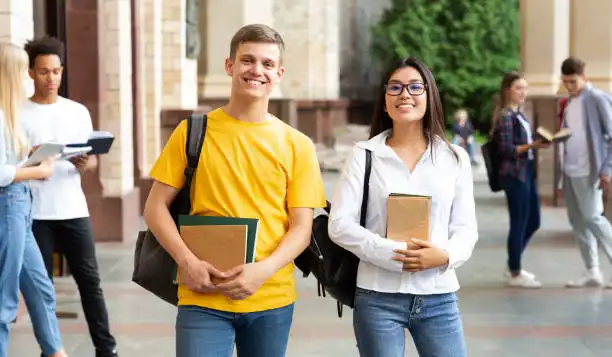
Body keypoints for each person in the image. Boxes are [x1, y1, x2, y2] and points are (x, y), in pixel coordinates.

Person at [143, 24, 326, 357]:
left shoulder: (297, 145)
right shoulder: (192, 132)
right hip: (201, 293)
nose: (257, 70)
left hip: (271, 297)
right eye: (247, 60)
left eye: (267, 64)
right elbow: (155, 208)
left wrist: (261, 271)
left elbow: (302, 228)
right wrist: (187, 261)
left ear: (279, 73)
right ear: (230, 66)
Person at [328, 57, 478, 357]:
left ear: (429, 97)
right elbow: (339, 224)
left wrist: (444, 255)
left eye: (414, 87)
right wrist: (391, 253)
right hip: (377, 295)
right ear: (385, 102)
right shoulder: (364, 155)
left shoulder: (455, 158)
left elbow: (466, 229)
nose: (404, 94)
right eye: (395, 87)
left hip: (438, 295)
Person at [20, 37, 118, 357]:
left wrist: (87, 162)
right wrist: (31, 159)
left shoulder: (77, 112)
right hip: (34, 213)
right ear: (31, 72)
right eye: (44, 72)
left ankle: (107, 350)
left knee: (90, 284)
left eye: (57, 71)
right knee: (41, 289)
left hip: (73, 208)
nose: (52, 79)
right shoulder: (17, 112)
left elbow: (90, 160)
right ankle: (50, 350)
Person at [0, 42, 68, 357]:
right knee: (5, 300)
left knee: (41, 290)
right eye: (22, 72)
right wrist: (36, 171)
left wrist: (31, 157)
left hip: (19, 207)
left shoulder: (10, 114)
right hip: (7, 206)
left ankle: (55, 352)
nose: (28, 80)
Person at [492, 72, 550, 288]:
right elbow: (507, 149)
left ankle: (512, 263)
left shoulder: (519, 114)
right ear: (509, 90)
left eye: (525, 88)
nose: (523, 92)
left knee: (534, 221)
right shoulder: (506, 116)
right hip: (514, 175)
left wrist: (538, 142)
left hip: (525, 173)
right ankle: (515, 271)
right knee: (519, 222)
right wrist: (532, 146)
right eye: (519, 88)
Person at [558, 56, 612, 288]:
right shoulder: (570, 102)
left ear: (584, 77)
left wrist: (606, 168)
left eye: (573, 81)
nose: (569, 86)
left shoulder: (598, 99)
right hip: (569, 169)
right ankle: (592, 271)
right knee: (578, 221)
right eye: (566, 82)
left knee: (593, 218)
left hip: (589, 171)